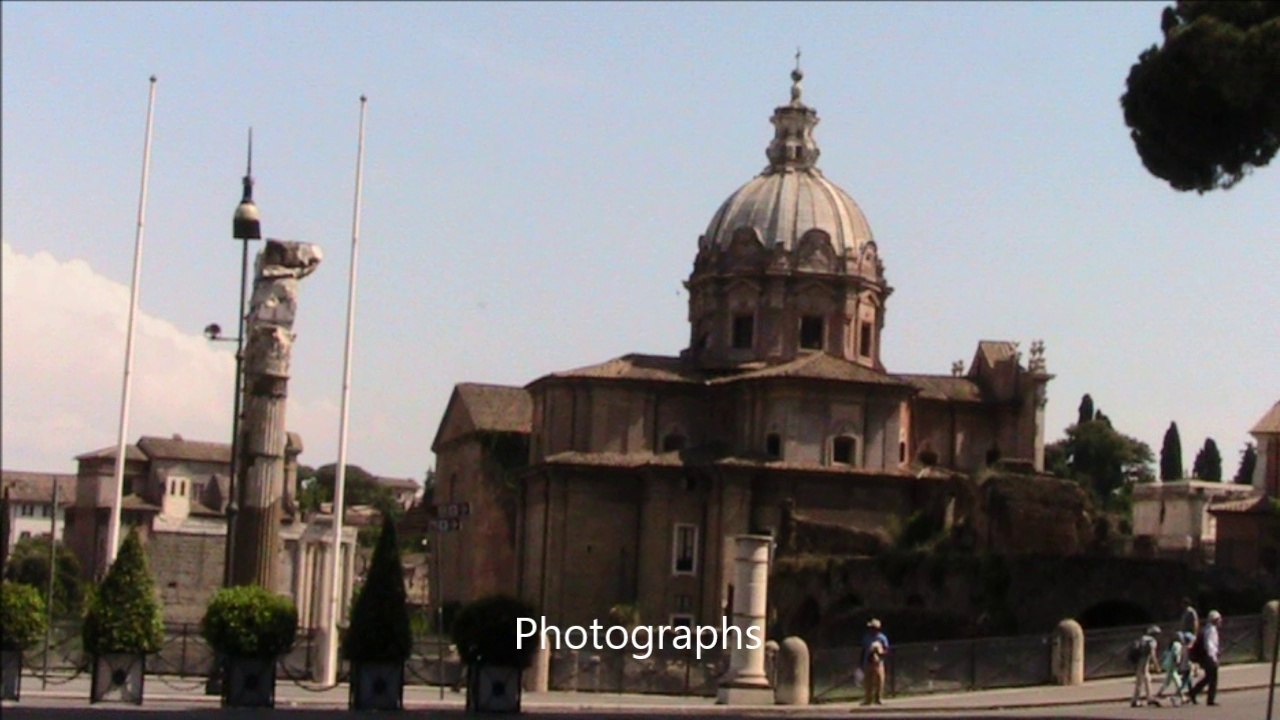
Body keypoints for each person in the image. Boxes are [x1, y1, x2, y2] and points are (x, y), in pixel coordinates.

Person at [1189, 610, 1222, 706]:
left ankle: (1193, 692)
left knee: (1208, 678)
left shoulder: (1207, 628)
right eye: (1219, 619)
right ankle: (1210, 700)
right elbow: (1209, 645)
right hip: (1209, 657)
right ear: (1215, 620)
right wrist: (1213, 658)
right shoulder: (1211, 630)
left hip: (1206, 657)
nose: (1220, 621)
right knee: (1213, 678)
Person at [860, 618, 889, 706]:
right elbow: (863, 650)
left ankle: (878, 698)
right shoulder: (866, 637)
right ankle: (868, 699)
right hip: (868, 661)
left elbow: (886, 649)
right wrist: (861, 662)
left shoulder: (882, 638)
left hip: (878, 662)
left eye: (873, 628)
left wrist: (880, 652)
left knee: (879, 680)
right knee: (868, 681)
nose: (871, 629)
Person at [1131, 625, 1162, 707]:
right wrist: (1157, 665)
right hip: (1145, 661)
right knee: (1144, 678)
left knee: (1142, 679)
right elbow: (1152, 653)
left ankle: (1139, 699)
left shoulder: (1142, 638)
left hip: (1138, 660)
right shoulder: (1152, 641)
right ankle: (1147, 699)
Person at [1154, 629, 1186, 705]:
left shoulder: (1171, 644)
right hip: (1172, 664)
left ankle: (1158, 694)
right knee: (1177, 679)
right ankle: (1182, 696)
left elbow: (1165, 654)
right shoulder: (1177, 644)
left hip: (1168, 664)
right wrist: (1178, 662)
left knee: (1167, 681)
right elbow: (1176, 654)